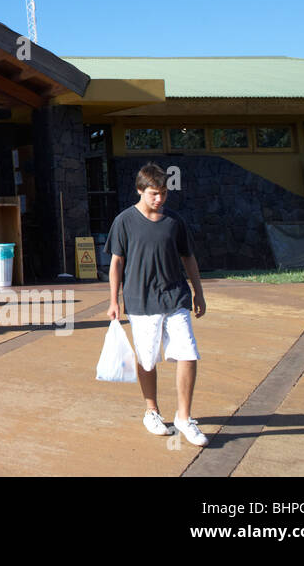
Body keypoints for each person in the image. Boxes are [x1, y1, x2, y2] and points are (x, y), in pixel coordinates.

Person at [107, 163, 208, 446]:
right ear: (140, 190)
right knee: (148, 358)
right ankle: (151, 410)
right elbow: (116, 262)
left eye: (163, 193)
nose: (159, 199)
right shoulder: (124, 221)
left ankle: (184, 418)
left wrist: (198, 293)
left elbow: (189, 258)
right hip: (141, 300)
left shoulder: (174, 221)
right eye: (153, 193)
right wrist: (114, 300)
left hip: (175, 296)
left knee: (188, 352)